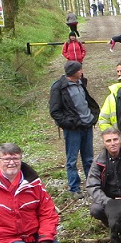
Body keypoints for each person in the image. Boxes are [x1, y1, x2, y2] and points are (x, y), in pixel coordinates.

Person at [49, 60, 100, 196]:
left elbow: (86, 102)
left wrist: (92, 116)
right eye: (79, 70)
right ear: (73, 72)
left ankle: (92, 187)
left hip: (86, 126)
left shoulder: (81, 83)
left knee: (89, 159)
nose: (81, 71)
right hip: (73, 130)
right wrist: (70, 123)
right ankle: (74, 188)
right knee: (72, 160)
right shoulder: (59, 87)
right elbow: (55, 111)